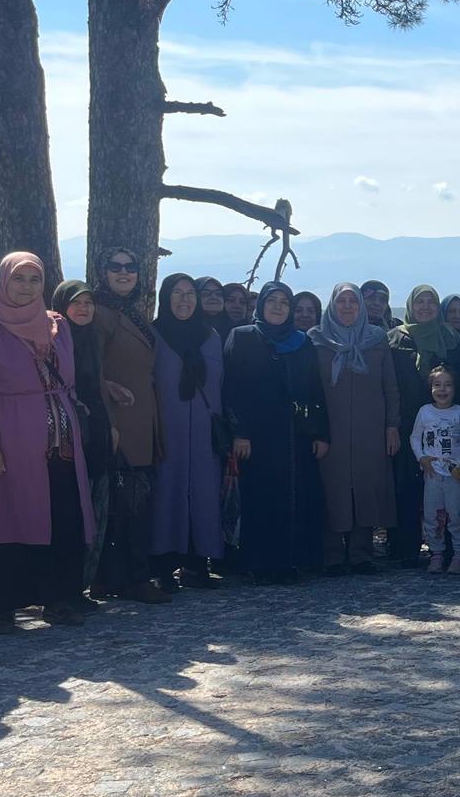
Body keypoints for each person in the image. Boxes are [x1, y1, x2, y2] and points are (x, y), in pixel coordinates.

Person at [0, 252, 94, 630]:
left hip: (62, 436)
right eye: (18, 279)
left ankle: (60, 599)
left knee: (63, 515)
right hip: (13, 433)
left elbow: (69, 380)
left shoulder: (57, 325)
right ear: (3, 281)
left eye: (34, 279)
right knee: (13, 516)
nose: (26, 286)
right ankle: (6, 606)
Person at [224, 283, 329, 584]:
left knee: (293, 497)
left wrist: (322, 433)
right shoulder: (242, 337)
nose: (278, 307)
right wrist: (239, 432)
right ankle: (259, 563)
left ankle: (288, 562)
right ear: (261, 305)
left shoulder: (302, 342)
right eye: (272, 300)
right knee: (260, 497)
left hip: (295, 434)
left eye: (284, 302)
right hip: (257, 435)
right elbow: (231, 388)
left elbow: (315, 388)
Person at [89, 248, 168, 604]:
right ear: (102, 271)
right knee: (127, 504)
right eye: (115, 266)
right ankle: (132, 577)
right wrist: (109, 412)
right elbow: (91, 367)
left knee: (130, 502)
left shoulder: (131, 312)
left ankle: (111, 577)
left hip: (142, 419)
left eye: (131, 267)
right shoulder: (98, 313)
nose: (124, 272)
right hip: (119, 419)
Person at [311, 283, 401, 575]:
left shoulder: (376, 339)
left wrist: (392, 426)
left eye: (353, 301)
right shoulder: (316, 339)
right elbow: (309, 388)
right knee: (332, 486)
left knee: (365, 486)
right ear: (332, 305)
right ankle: (332, 554)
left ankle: (361, 553)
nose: (348, 306)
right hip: (330, 429)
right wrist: (315, 430)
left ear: (361, 307)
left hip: (370, 428)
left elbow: (390, 387)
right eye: (342, 301)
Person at [151, 272, 226, 590]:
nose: (185, 300)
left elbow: (221, 384)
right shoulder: (153, 335)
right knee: (166, 495)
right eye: (177, 293)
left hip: (205, 434)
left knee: (204, 496)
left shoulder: (211, 337)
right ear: (166, 297)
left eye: (190, 294)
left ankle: (197, 566)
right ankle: (163, 568)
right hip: (167, 431)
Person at [387, 285, 460, 563]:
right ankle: (407, 549)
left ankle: (451, 550)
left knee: (449, 492)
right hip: (408, 422)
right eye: (419, 301)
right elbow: (390, 384)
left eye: (430, 301)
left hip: (446, 423)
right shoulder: (396, 339)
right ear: (411, 305)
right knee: (407, 487)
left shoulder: (451, 338)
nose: (425, 307)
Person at [51, 281, 117, 599]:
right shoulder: (53, 341)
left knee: (97, 509)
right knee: (74, 513)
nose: (84, 308)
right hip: (69, 436)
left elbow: (97, 384)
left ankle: (82, 585)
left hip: (97, 433)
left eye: (89, 303)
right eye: (76, 302)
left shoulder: (92, 339)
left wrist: (111, 424)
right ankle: (65, 589)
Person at [412, 365, 460, 573]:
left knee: (457, 514)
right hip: (432, 473)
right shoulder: (425, 412)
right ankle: (436, 554)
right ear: (430, 388)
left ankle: (459, 555)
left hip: (456, 474)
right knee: (433, 515)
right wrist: (422, 457)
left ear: (454, 388)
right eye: (437, 385)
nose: (442, 389)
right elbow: (415, 437)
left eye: (447, 385)